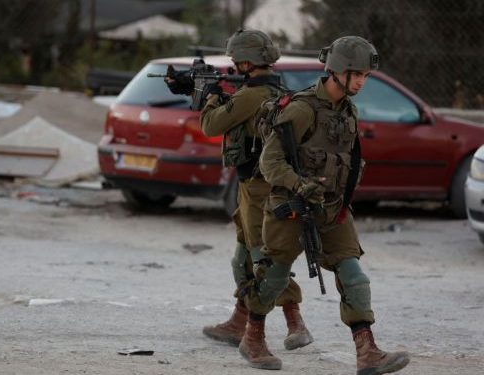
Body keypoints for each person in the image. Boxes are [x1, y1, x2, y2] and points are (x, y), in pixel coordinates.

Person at [256, 36, 410, 374]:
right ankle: (253, 337)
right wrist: (299, 184)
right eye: (358, 75)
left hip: (332, 208)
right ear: (337, 71)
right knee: (274, 278)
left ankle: (367, 352)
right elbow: (270, 163)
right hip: (292, 205)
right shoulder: (301, 109)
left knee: (354, 276)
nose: (362, 82)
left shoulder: (347, 110)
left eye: (366, 76)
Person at [167, 29, 314, 370]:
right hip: (258, 185)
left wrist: (210, 97)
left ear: (248, 62)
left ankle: (293, 322)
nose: (233, 64)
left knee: (263, 258)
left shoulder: (253, 95)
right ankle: (239, 321)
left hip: (259, 188)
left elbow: (211, 124)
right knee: (243, 257)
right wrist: (199, 88)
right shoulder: (273, 89)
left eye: (236, 61)